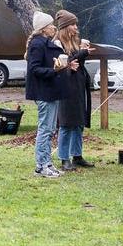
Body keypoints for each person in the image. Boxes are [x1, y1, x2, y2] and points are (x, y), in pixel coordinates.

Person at [54, 10, 95, 170]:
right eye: (73, 24)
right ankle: (64, 158)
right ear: (65, 27)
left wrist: (82, 52)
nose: (76, 27)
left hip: (77, 86)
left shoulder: (74, 43)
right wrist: (82, 53)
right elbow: (63, 64)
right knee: (66, 123)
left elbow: (77, 63)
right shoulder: (58, 44)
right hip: (65, 86)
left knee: (78, 122)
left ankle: (77, 155)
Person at [25, 11, 63, 178]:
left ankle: (47, 163)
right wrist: (53, 71)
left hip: (50, 91)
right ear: (43, 28)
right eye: (50, 25)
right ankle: (41, 165)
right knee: (45, 129)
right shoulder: (37, 44)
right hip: (43, 92)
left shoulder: (45, 43)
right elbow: (34, 69)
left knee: (50, 128)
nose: (53, 27)